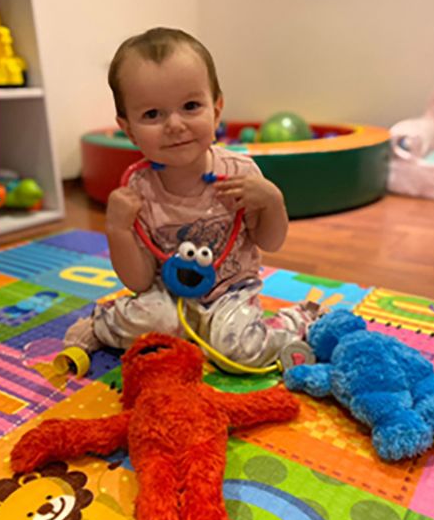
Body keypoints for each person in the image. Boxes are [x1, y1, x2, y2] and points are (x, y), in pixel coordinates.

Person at [64, 27, 317, 368]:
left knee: (238, 350)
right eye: (152, 114)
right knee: (154, 323)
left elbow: (271, 242)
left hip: (230, 293)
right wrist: (117, 229)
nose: (174, 124)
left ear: (216, 110)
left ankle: (299, 320)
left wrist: (273, 201)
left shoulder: (240, 174)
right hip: (167, 296)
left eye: (191, 106)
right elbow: (139, 281)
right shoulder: (138, 190)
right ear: (129, 130)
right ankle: (100, 324)